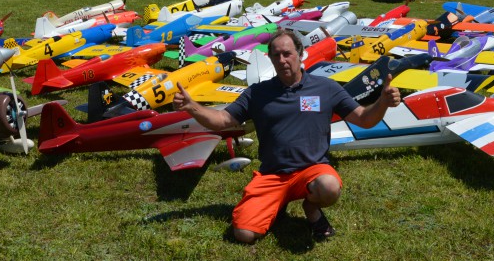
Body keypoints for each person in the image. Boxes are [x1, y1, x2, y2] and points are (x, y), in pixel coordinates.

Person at [172, 30, 401, 244]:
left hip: (312, 170)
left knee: (329, 187)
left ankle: (311, 208)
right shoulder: (257, 93)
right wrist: (192, 107)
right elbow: (223, 120)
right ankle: (276, 202)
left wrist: (382, 103)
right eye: (276, 55)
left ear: (300, 55)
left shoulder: (326, 88)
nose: (282, 60)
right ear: (270, 59)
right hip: (272, 174)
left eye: (287, 54)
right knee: (243, 234)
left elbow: (364, 119)